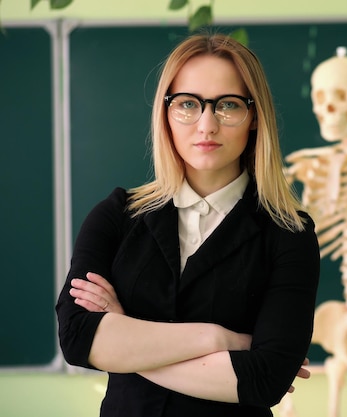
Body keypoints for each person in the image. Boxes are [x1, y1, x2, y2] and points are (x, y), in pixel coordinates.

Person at [55, 32, 320, 417]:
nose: (207, 125)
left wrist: (125, 333)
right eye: (188, 104)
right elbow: (79, 339)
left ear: (254, 117)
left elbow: (265, 381)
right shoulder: (116, 217)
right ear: (166, 113)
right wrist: (218, 339)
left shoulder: (288, 233)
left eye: (228, 105)